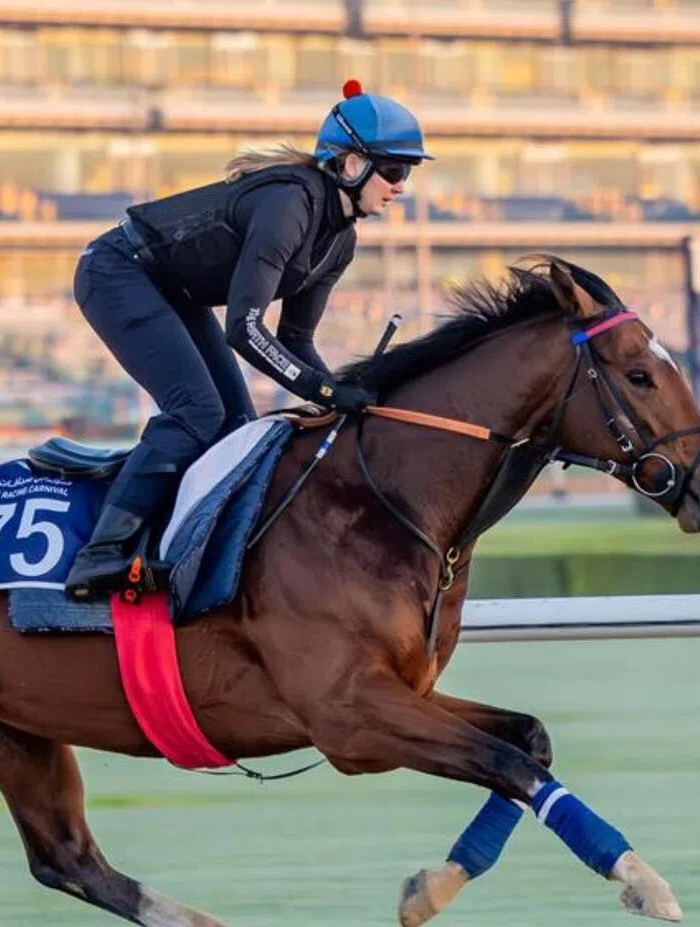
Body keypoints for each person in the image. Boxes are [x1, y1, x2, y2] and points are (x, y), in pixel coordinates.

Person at [65, 79, 432, 600]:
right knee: (197, 411)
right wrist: (324, 392)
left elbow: (296, 340)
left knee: (236, 424)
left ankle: (175, 543)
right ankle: (99, 554)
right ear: (351, 164)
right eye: (393, 171)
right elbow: (245, 329)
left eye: (407, 173)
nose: (400, 186)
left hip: (170, 290)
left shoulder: (340, 242)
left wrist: (345, 392)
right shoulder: (290, 204)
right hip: (117, 272)